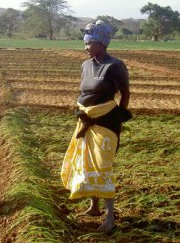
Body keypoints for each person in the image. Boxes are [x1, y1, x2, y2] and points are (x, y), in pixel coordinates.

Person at [60, 20, 131, 232]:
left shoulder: (115, 66)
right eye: (85, 43)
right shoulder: (85, 65)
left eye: (89, 43)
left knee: (102, 166)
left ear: (101, 43)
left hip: (106, 123)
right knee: (86, 162)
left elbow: (125, 94)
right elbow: (86, 92)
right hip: (86, 121)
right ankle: (94, 206)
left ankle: (110, 218)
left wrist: (117, 116)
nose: (86, 47)